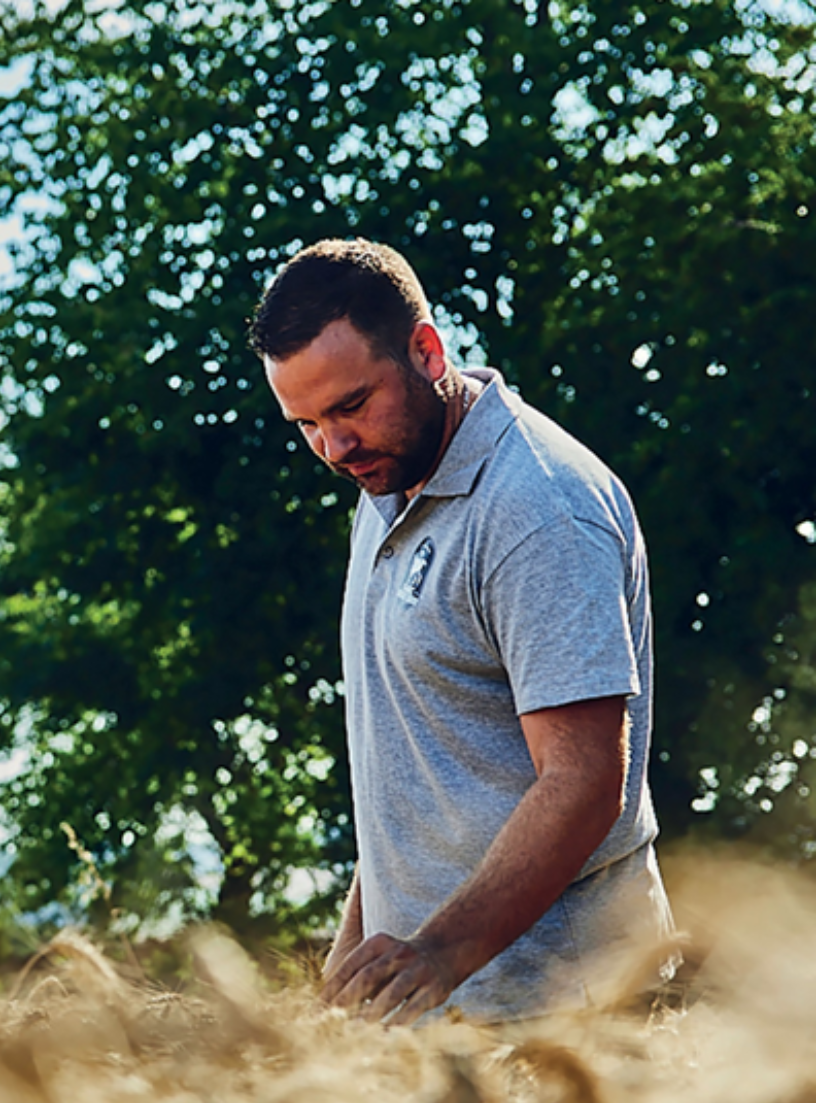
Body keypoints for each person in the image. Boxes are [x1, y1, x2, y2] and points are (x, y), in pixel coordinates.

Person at [248, 239, 674, 1024]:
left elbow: (583, 783)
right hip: (440, 1024)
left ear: (426, 349)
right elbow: (415, 777)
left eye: (349, 406)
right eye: (305, 422)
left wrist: (439, 953)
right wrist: (352, 962)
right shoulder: (385, 489)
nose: (333, 448)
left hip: (578, 1017)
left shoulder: (538, 507)